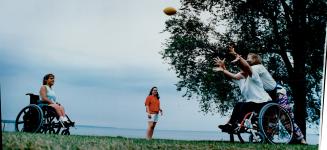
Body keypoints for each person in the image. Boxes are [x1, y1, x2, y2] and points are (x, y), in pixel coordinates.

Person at [228, 45, 307, 144]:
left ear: (255, 59)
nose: (247, 59)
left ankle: (301, 139)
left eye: (249, 58)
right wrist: (237, 61)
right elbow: (243, 71)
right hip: (268, 96)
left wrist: (237, 57)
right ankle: (267, 138)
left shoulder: (258, 67)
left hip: (279, 93)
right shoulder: (251, 70)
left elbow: (246, 67)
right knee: (270, 118)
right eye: (246, 58)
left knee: (285, 118)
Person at [213, 53, 272, 132]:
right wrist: (223, 68)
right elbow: (229, 77)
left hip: (263, 102)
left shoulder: (254, 77)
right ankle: (231, 124)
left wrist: (238, 60)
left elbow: (247, 67)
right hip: (252, 103)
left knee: (243, 106)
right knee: (239, 105)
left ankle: (240, 125)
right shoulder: (240, 80)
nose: (240, 71)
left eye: (242, 70)